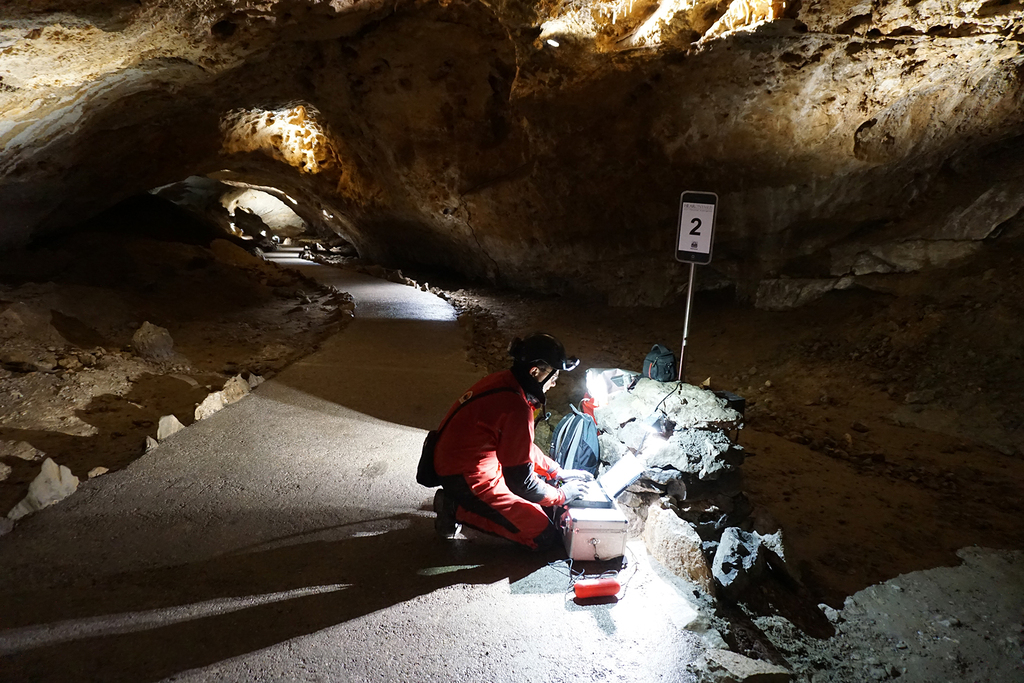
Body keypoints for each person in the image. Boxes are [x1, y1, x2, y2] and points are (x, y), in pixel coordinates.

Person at [431, 332, 595, 549]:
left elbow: (519, 446)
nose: (554, 384)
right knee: (542, 535)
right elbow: (521, 482)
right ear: (535, 371)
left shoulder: (505, 382)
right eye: (554, 377)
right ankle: (454, 506)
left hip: (466, 462)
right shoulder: (516, 406)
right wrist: (562, 495)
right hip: (466, 476)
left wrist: (556, 471)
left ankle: (463, 503)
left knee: (540, 498)